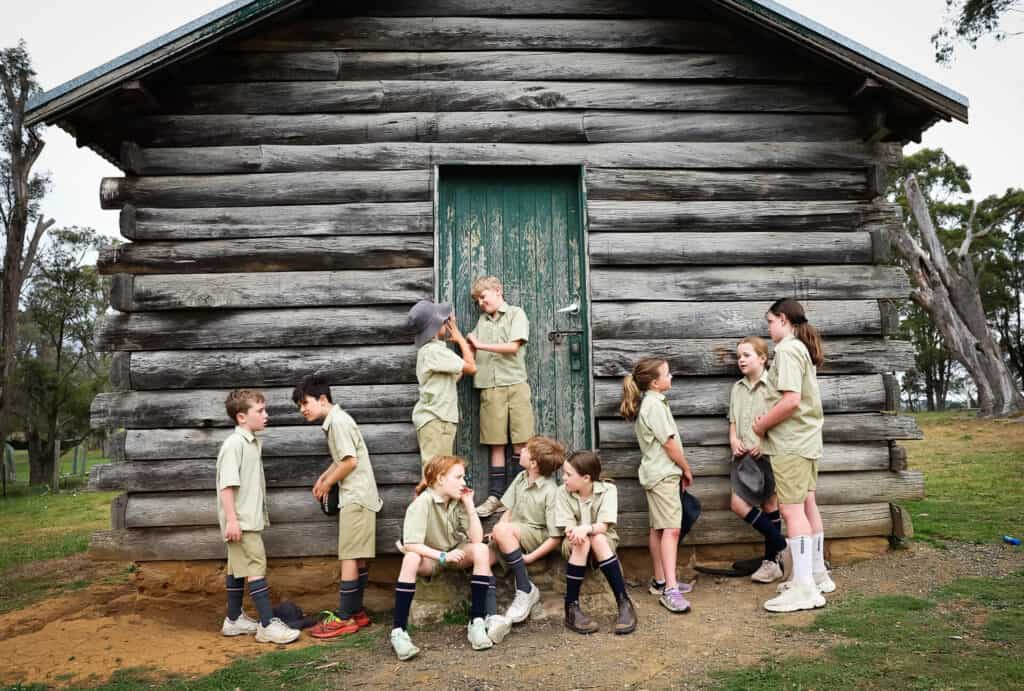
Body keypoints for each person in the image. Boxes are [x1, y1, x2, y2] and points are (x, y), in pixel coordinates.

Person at [752, 298, 835, 613]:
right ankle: (813, 575)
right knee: (804, 506)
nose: (768, 328)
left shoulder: (787, 350)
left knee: (791, 512)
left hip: (792, 444)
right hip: (806, 442)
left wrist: (761, 425)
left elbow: (790, 401)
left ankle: (804, 589)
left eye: (770, 321)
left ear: (784, 320)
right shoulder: (800, 348)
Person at [389, 456, 511, 660]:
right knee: (410, 558)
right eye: (459, 477)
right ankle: (399, 632)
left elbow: (477, 538)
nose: (464, 482)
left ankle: (477, 621)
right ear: (440, 479)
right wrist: (443, 556)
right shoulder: (422, 503)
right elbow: (411, 544)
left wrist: (470, 505)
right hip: (432, 557)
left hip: (456, 553)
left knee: (481, 550)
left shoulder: (457, 502)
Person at [292, 374, 383, 638]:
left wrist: (328, 484)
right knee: (358, 556)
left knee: (349, 557)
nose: (302, 409)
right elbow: (343, 457)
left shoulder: (338, 423)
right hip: (361, 497)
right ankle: (357, 613)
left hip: (355, 497)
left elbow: (350, 462)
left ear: (322, 399)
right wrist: (324, 476)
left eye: (305, 403)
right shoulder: (337, 420)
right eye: (299, 405)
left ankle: (344, 618)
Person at [216, 389, 300, 644]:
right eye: (260, 411)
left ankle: (233, 620)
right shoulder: (235, 445)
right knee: (255, 566)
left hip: (245, 518)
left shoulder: (249, 442)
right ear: (242, 417)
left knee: (237, 567)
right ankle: (266, 625)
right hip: (242, 521)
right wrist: (232, 520)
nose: (266, 415)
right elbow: (226, 486)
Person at [619, 358, 695, 614]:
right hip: (663, 475)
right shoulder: (654, 405)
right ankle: (670, 590)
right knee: (671, 530)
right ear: (654, 382)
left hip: (656, 475)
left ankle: (661, 580)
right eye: (667, 374)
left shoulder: (651, 403)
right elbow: (670, 444)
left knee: (658, 529)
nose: (671, 377)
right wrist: (685, 467)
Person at [465, 276, 535, 517]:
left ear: (497, 291)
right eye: (477, 301)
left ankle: (516, 499)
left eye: (483, 297)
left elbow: (513, 347)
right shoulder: (481, 322)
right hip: (490, 387)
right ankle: (496, 496)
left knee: (520, 442)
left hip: (515, 384)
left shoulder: (516, 314)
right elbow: (470, 348)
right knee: (496, 443)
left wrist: (480, 344)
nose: (481, 303)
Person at [728, 336, 788, 584]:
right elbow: (732, 421)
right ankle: (782, 546)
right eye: (739, 356)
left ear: (763, 358)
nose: (741, 359)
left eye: (747, 355)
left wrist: (762, 444)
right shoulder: (737, 387)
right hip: (744, 459)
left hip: (767, 455)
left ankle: (771, 562)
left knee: (770, 506)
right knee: (737, 503)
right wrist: (733, 440)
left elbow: (782, 420)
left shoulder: (773, 386)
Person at [556, 451, 636, 635]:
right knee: (582, 542)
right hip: (574, 543)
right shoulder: (562, 493)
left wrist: (586, 529)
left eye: (568, 474)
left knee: (597, 537)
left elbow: (604, 525)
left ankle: (624, 603)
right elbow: (567, 527)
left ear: (586, 478)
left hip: (603, 541)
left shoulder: (608, 490)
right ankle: (571, 607)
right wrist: (575, 531)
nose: (564, 478)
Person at [489, 435, 565, 623]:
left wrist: (531, 557)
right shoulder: (521, 478)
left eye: (525, 450)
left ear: (533, 463)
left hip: (537, 536)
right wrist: (499, 530)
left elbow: (555, 537)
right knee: (483, 554)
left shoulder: (550, 491)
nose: (520, 450)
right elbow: (509, 510)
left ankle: (525, 588)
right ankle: (489, 615)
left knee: (502, 531)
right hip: (515, 535)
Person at [405, 300, 476, 467]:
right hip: (437, 419)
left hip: (436, 419)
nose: (447, 324)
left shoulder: (429, 352)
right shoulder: (436, 351)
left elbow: (452, 378)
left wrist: (467, 352)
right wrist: (459, 338)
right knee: (436, 474)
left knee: (435, 472)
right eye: (444, 321)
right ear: (436, 327)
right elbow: (472, 368)